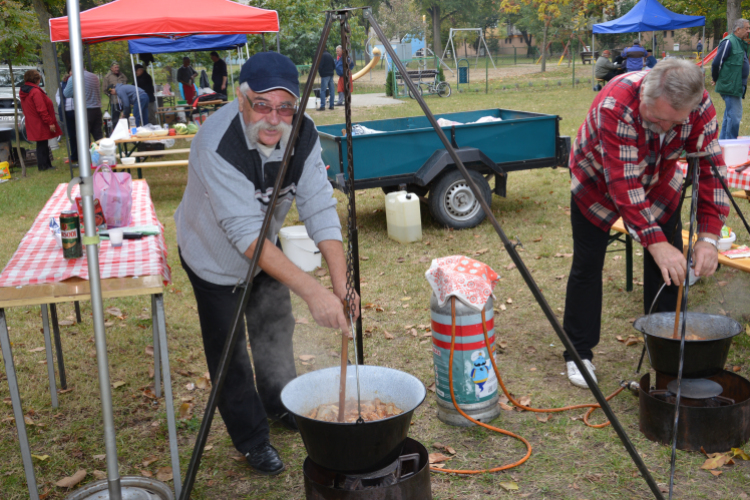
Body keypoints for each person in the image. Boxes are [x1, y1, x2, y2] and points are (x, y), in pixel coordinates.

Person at [174, 51, 360, 475]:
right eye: (262, 105)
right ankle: (252, 439)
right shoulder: (216, 144)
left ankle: (280, 404)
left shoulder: (304, 136)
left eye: (285, 107)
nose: (273, 119)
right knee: (229, 353)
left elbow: (319, 208)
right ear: (242, 101)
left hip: (264, 255)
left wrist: (340, 285)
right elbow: (245, 235)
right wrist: (313, 292)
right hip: (211, 258)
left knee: (276, 327)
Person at [563, 59, 729, 388]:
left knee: (670, 269)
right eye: (655, 118)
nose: (663, 128)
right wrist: (656, 244)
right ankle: (578, 352)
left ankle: (664, 352)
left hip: (659, 181)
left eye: (673, 122)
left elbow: (710, 169)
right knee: (588, 264)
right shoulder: (616, 104)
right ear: (645, 95)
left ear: (690, 108)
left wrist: (709, 236)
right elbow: (623, 185)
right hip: (596, 180)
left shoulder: (701, 108)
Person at [712, 18, 750, 140]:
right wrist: (715, 78)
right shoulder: (728, 42)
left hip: (737, 85)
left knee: (730, 116)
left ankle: (723, 144)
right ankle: (731, 144)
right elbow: (716, 62)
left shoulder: (741, 42)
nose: (749, 31)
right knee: (735, 116)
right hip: (730, 86)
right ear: (738, 29)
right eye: (747, 28)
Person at [19, 69, 61, 171]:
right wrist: (50, 122)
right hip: (40, 122)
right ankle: (43, 166)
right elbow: (41, 109)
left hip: (34, 122)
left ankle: (46, 165)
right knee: (42, 145)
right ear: (37, 80)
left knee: (42, 144)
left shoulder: (26, 91)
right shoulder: (35, 91)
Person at [63, 67, 104, 143]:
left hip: (83, 110)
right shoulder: (94, 77)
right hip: (96, 108)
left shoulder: (74, 78)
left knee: (84, 137)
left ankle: (87, 154)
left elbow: (66, 93)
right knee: (98, 136)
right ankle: (102, 153)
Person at [56, 70, 77, 165]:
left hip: (78, 110)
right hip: (67, 110)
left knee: (82, 134)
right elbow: (58, 95)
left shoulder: (80, 81)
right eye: (71, 71)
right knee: (72, 135)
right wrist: (60, 103)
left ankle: (85, 154)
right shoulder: (63, 83)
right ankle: (74, 156)